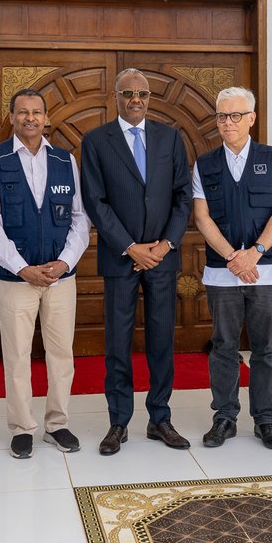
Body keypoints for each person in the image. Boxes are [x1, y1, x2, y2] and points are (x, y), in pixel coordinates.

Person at [80, 69, 192, 455]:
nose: (135, 99)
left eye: (142, 93)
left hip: (162, 258)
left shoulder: (170, 138)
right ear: (116, 96)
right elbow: (95, 200)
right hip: (120, 257)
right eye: (128, 92)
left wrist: (166, 244)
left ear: (149, 97)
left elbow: (182, 196)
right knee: (118, 342)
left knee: (162, 339)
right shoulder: (96, 141)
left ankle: (160, 417)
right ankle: (118, 422)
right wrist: (130, 246)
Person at [0, 88, 90, 459]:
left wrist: (64, 263)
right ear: (11, 117)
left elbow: (79, 218)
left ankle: (57, 424)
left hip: (60, 278)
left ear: (46, 118)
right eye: (22, 112)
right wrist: (22, 268)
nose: (30, 118)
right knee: (17, 355)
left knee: (61, 354)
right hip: (15, 279)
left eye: (37, 112)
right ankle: (22, 428)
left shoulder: (64, 160)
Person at [193, 87, 272, 450]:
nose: (228, 122)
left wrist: (255, 252)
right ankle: (224, 416)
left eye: (236, 115)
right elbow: (202, 218)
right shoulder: (204, 164)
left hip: (265, 271)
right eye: (222, 115)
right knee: (223, 346)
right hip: (222, 273)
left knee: (265, 348)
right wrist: (234, 258)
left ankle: (265, 418)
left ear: (251, 118)